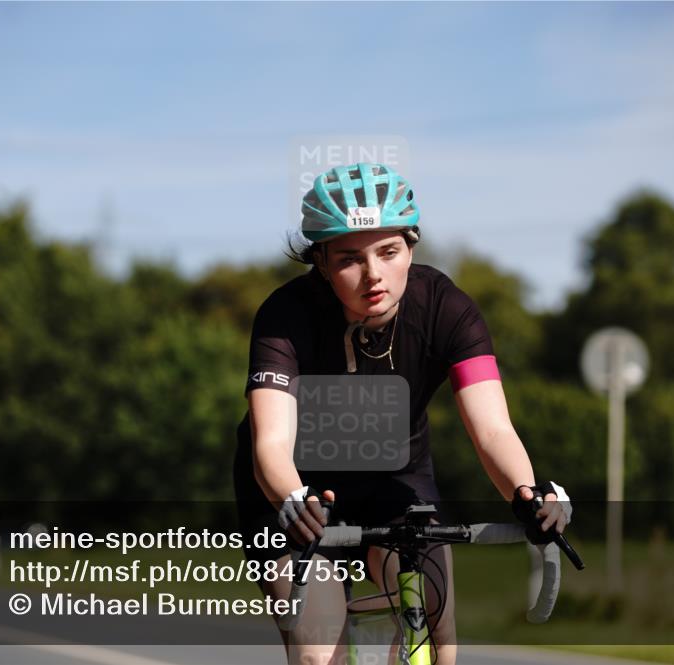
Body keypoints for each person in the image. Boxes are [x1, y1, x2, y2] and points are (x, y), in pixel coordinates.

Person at [233, 162, 571, 665]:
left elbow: (494, 429)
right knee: (317, 648)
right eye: (350, 259)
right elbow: (270, 444)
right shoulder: (285, 315)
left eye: (389, 252)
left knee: (436, 625)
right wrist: (293, 499)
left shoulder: (447, 308)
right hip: (295, 491)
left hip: (395, 477)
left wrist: (527, 495)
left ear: (411, 246)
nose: (373, 274)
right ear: (321, 262)